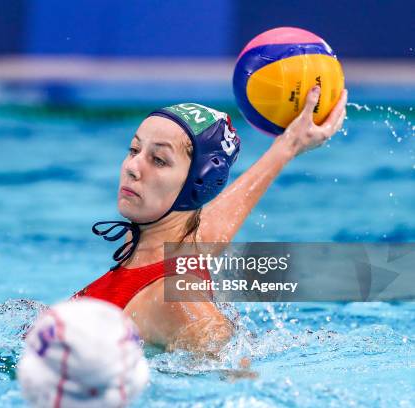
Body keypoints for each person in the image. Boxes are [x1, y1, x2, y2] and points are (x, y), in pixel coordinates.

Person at [73, 86, 348, 354]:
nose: (132, 167)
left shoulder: (175, 301)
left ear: (199, 183)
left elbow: (236, 379)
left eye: (158, 160)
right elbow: (214, 225)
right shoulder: (162, 245)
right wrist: (289, 145)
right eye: (134, 150)